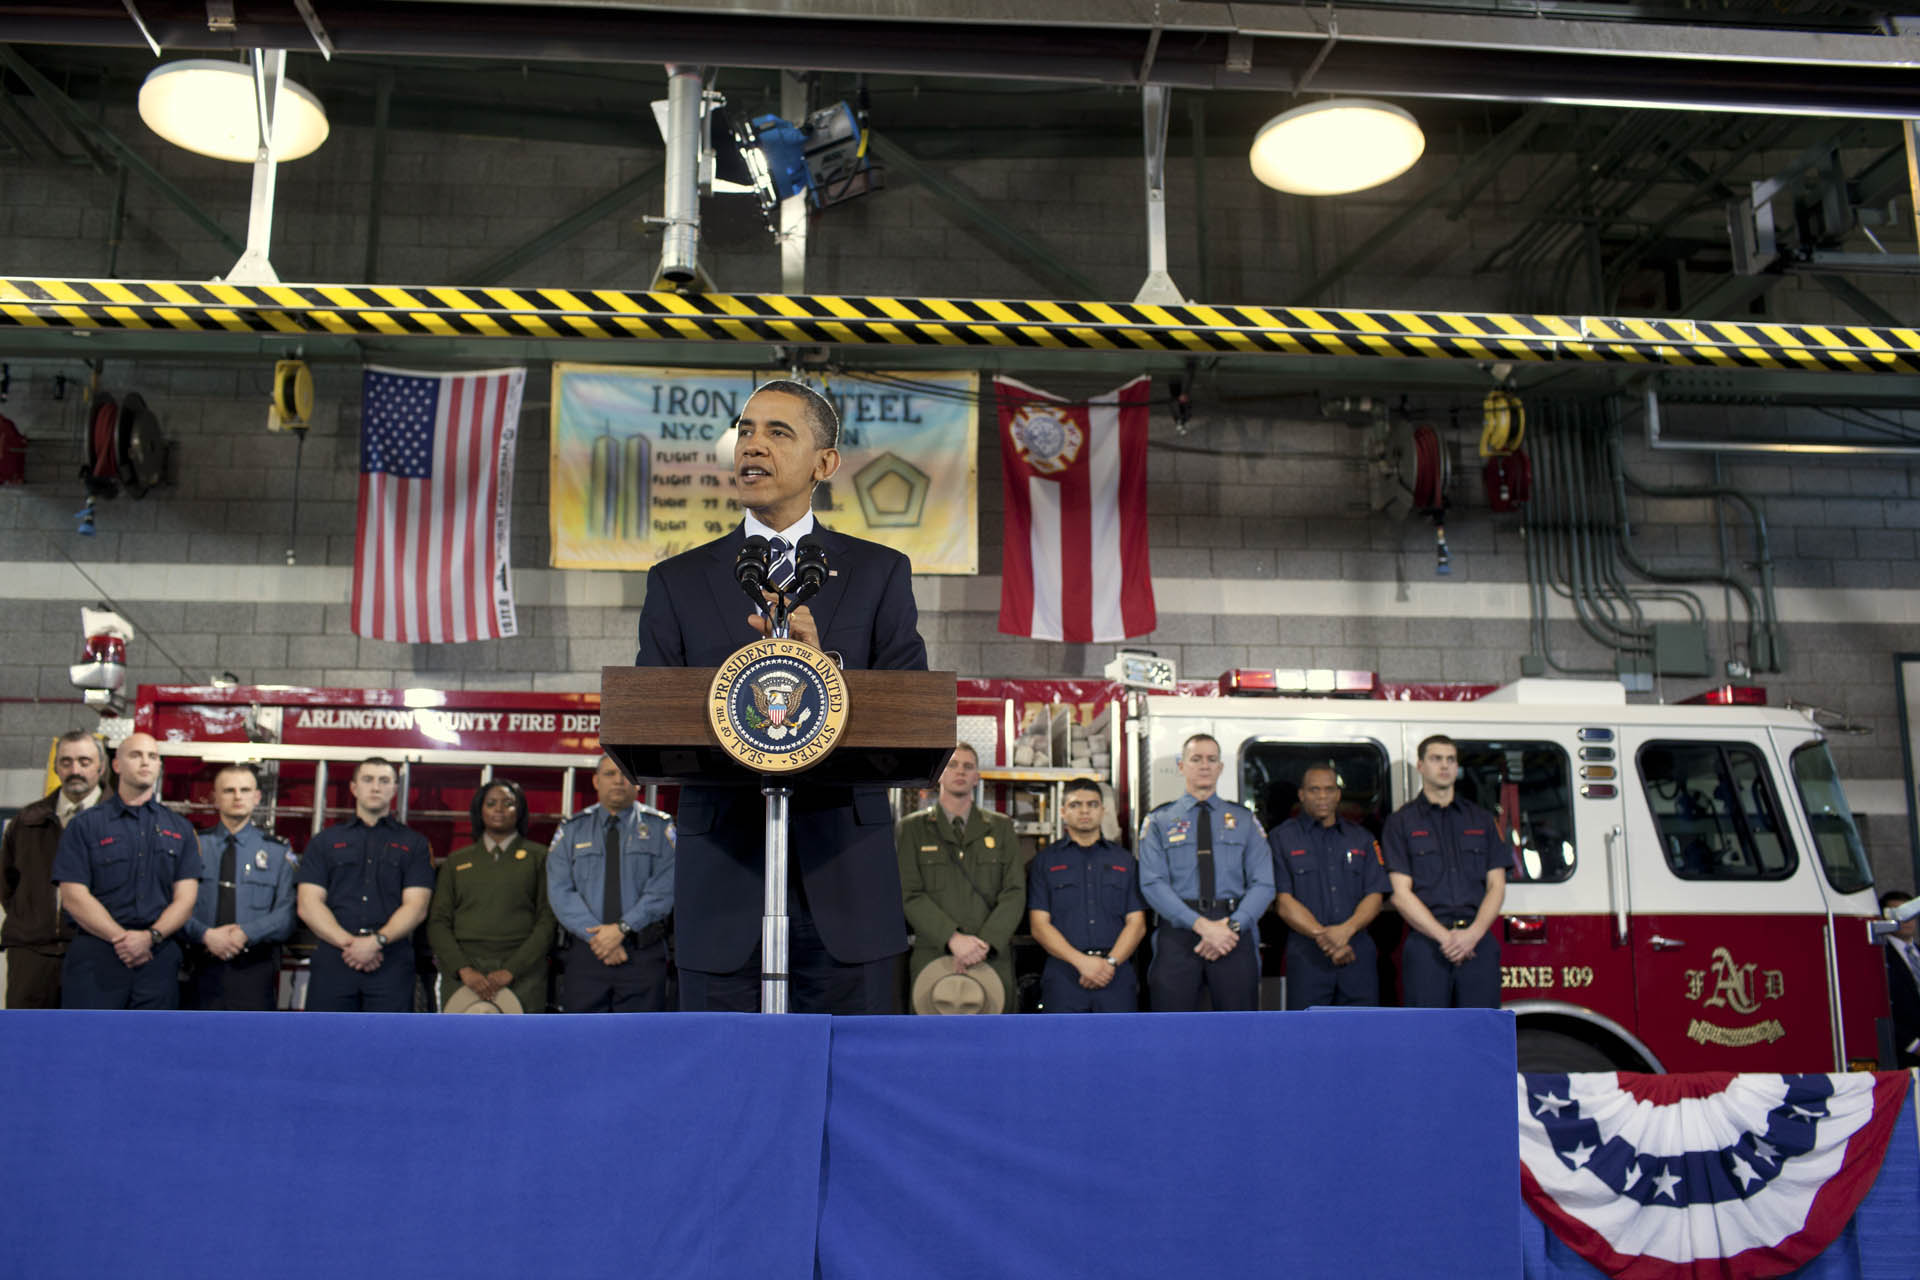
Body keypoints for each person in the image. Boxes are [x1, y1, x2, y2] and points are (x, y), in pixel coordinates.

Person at [635, 379, 926, 1014]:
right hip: (724, 878)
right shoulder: (677, 581)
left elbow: (910, 721)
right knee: (725, 1083)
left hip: (846, 877)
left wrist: (827, 675)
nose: (753, 445)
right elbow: (650, 719)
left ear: (825, 465)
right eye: (745, 430)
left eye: (777, 432)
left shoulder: (880, 574)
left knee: (850, 1078)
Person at [51, 732, 200, 1010]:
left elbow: (186, 900)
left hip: (157, 956)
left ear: (159, 766)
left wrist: (150, 937)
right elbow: (73, 896)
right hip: (97, 955)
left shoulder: (180, 829)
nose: (145, 762)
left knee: (153, 1047)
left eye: (152, 756)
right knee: (91, 1046)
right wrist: (121, 939)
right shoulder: (84, 825)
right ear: (116, 765)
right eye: (135, 755)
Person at [1137, 734, 1274, 1012]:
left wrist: (1231, 928)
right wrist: (1203, 927)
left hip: (1233, 934)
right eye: (1196, 759)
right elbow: (1152, 883)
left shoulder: (1245, 821)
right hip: (1179, 934)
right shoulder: (1160, 821)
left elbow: (1264, 883)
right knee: (1173, 1029)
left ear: (1221, 767)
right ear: (1181, 765)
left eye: (1212, 760)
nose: (1204, 766)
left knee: (1239, 1031)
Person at [295, 757, 432, 1012]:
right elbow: (308, 903)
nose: (376, 787)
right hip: (334, 959)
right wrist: (350, 944)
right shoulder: (324, 842)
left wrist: (375, 942)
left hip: (390, 961)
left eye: (384, 781)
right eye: (368, 780)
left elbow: (417, 906)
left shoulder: (415, 844)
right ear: (354, 788)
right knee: (326, 1042)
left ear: (394, 790)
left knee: (388, 1046)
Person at [1383, 734, 1506, 1009]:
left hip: (1478, 943)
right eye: (1436, 759)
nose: (1445, 766)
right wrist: (1446, 938)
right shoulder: (1400, 823)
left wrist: (1472, 935)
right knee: (1428, 1035)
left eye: (1450, 759)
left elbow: (1497, 886)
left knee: (1480, 1032)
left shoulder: (1482, 819)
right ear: (1421, 766)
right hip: (1427, 944)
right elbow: (1400, 894)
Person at [897, 743, 1023, 1010]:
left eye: (968, 766)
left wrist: (984, 943)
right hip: (934, 953)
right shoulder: (912, 829)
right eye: (952, 765)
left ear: (977, 776)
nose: (960, 771)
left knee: (995, 1041)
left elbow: (1014, 892)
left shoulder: (1001, 828)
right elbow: (909, 894)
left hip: (990, 955)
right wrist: (953, 939)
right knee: (931, 1043)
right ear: (940, 773)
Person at [548, 756, 675, 1013]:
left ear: (638, 783)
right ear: (596, 781)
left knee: (640, 1041)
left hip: (642, 955)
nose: (618, 780)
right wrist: (600, 939)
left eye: (625, 774)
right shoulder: (572, 830)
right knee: (583, 1040)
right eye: (609, 774)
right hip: (588, 955)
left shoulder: (661, 828)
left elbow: (665, 888)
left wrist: (621, 929)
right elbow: (560, 891)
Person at [428, 778, 556, 1014]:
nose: (499, 809)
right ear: (479, 810)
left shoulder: (539, 857)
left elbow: (547, 920)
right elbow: (438, 922)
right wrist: (464, 969)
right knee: (461, 1046)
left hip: (522, 973)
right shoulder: (456, 861)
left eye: (508, 803)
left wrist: (512, 970)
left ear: (520, 811)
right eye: (491, 803)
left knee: (519, 1046)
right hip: (464, 972)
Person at [1268, 763, 1388, 1009]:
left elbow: (1374, 895)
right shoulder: (1281, 838)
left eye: (1328, 789)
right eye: (1314, 790)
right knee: (1307, 1037)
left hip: (1356, 952)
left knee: (1362, 1033)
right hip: (1307, 956)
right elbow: (1284, 901)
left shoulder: (1362, 838)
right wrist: (1326, 938)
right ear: (1301, 795)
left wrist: (1345, 932)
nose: (1322, 796)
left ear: (1338, 794)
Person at [182, 764, 297, 1010]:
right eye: (229, 790)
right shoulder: (193, 846)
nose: (237, 796)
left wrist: (246, 933)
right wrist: (205, 935)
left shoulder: (277, 852)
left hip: (254, 970)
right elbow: (173, 904)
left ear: (257, 798)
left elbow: (287, 914)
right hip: (198, 964)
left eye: (245, 790)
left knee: (251, 1044)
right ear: (215, 798)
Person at [1, 730, 103, 1008]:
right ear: (57, 767)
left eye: (84, 761)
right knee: (26, 1041)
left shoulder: (118, 821)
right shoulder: (27, 821)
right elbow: (8, 885)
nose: (75, 770)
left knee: (86, 1040)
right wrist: (34, 917)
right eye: (66, 762)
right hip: (32, 953)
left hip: (94, 952)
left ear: (101, 767)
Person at [1027, 778, 1146, 1013]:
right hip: (1064, 975)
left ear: (1103, 810)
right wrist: (1082, 963)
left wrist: (1109, 964)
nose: (1084, 811)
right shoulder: (1045, 862)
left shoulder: (1125, 861)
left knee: (1119, 1047)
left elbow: (1137, 924)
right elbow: (1039, 926)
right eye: (1075, 805)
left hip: (1116, 975)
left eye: (1092, 804)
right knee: (1064, 1048)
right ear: (1062, 812)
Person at [1881, 890, 1920, 1068]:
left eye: (1909, 913)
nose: (1906, 919)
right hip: (1903, 1056)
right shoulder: (1879, 955)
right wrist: (1913, 1045)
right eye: (1897, 913)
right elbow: (1879, 1005)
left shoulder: (1917, 952)